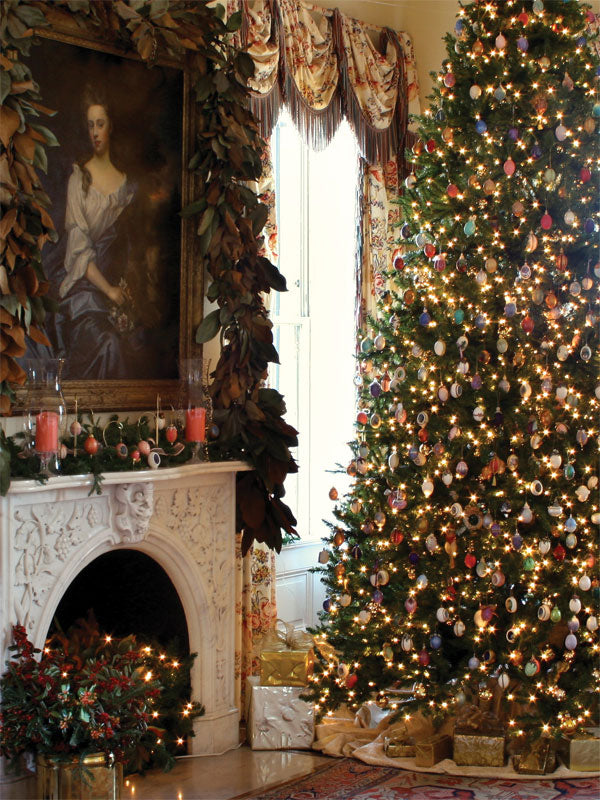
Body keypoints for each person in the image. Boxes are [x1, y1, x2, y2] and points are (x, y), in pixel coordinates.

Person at [58, 86, 137, 379]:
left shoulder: (126, 186)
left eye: (100, 124)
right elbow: (79, 250)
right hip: (84, 290)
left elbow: (127, 247)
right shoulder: (78, 179)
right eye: (90, 125)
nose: (95, 132)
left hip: (116, 287)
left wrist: (123, 291)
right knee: (108, 344)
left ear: (110, 126)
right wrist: (110, 291)